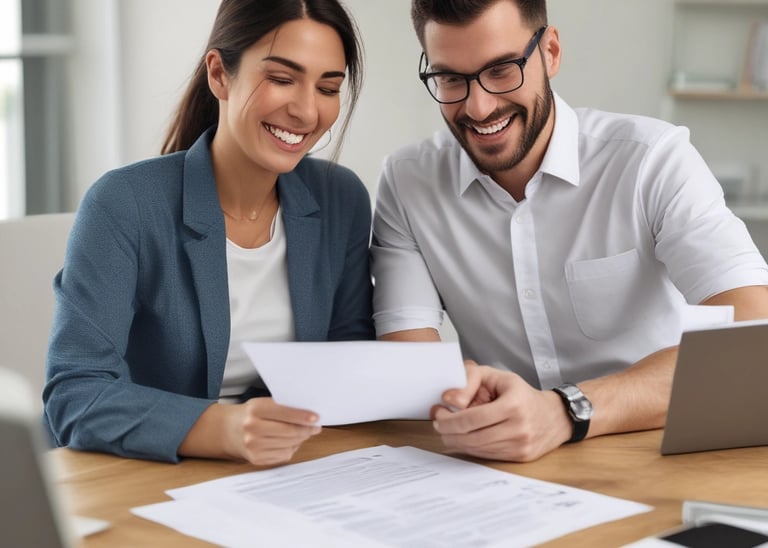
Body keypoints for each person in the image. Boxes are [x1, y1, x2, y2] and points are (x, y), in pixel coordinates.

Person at [371, 0, 768, 462]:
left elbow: (752, 337)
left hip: (655, 450)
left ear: (551, 52)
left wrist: (564, 412)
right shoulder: (407, 181)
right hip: (503, 463)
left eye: (502, 70)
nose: (478, 107)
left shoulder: (652, 160)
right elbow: (410, 359)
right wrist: (469, 400)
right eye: (451, 80)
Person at [44, 0, 373, 466]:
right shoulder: (123, 204)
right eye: (281, 79)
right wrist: (226, 428)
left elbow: (350, 360)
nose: (306, 110)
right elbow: (75, 394)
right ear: (219, 74)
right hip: (143, 472)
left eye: (328, 87)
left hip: (289, 471)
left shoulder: (341, 199)